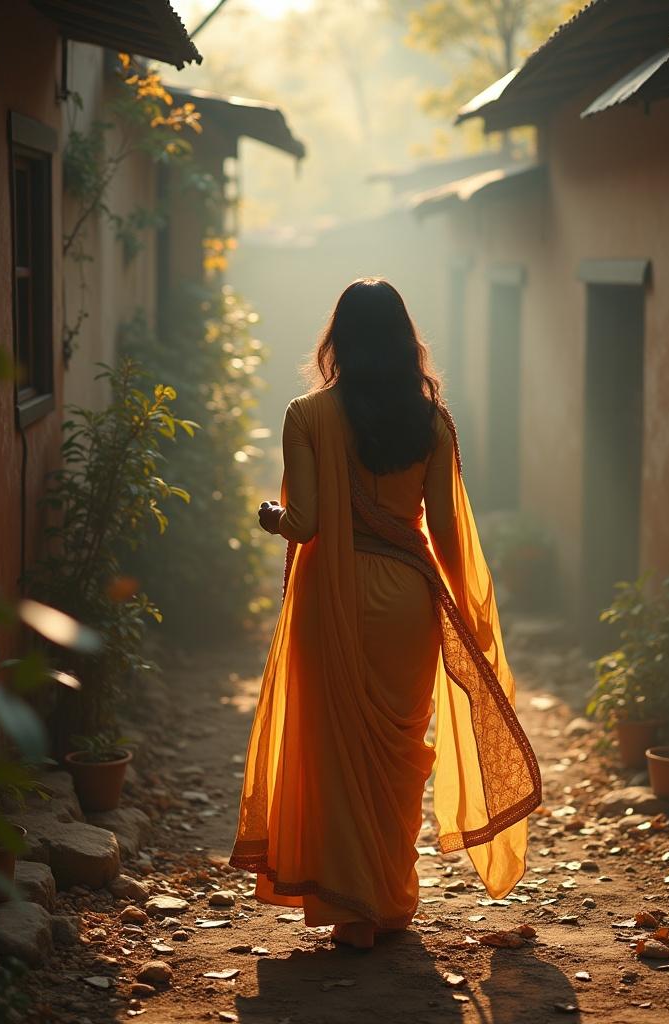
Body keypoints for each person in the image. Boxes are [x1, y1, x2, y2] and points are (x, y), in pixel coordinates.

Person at [230, 278, 541, 950]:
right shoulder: (432, 422)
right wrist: (467, 610)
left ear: (336, 341)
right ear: (406, 342)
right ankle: (391, 900)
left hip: (333, 602)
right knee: (401, 759)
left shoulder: (305, 416)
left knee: (338, 755)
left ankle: (353, 912)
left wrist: (271, 517)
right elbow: (451, 535)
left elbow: (308, 524)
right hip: (406, 601)